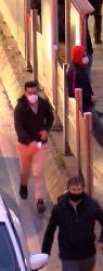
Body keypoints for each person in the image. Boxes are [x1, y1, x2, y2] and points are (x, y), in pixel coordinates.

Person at [42, 177, 103, 271]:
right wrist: (45, 253)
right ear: (68, 189)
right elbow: (50, 231)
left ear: (83, 189)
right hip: (68, 255)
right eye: (73, 190)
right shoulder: (60, 208)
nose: (76, 192)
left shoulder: (92, 205)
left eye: (79, 190)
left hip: (87, 255)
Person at [14, 81, 54, 214]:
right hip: (25, 145)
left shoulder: (43, 104)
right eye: (30, 93)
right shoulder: (20, 108)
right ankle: (23, 185)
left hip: (40, 144)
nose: (33, 95)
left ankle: (40, 200)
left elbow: (50, 118)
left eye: (35, 93)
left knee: (38, 172)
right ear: (25, 93)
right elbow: (19, 128)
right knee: (25, 170)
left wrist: (46, 130)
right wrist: (29, 141)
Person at [66, 45, 101, 116]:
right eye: (83, 55)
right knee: (99, 126)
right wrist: (89, 97)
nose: (86, 58)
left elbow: (86, 85)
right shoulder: (74, 71)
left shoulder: (81, 68)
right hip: (82, 107)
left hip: (87, 104)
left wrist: (91, 96)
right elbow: (72, 92)